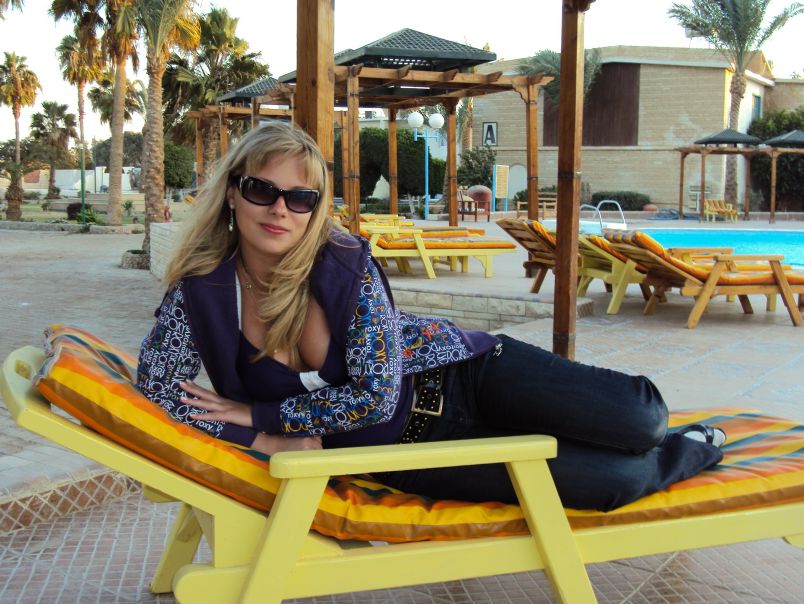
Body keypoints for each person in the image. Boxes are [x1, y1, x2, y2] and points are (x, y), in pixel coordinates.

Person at [137, 121, 725, 512]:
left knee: (640, 419)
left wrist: (265, 415)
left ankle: (671, 436)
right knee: (618, 482)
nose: (280, 210)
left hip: (471, 375)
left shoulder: (343, 263)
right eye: (262, 190)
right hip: (413, 455)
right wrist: (261, 437)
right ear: (232, 192)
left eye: (301, 197)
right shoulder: (201, 294)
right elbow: (158, 389)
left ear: (315, 208)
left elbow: (376, 395)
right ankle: (692, 449)